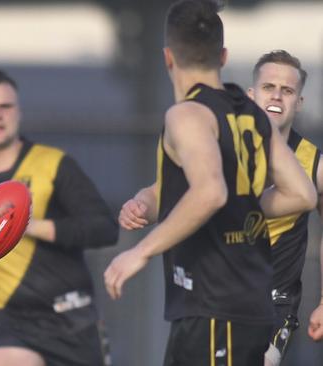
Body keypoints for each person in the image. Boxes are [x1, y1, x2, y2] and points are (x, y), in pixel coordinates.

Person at [105, 1, 317, 365]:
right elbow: (302, 193)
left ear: (168, 58)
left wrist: (139, 251)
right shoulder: (249, 113)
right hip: (240, 306)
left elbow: (210, 191)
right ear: (222, 55)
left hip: (217, 308)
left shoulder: (187, 114)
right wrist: (147, 202)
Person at [0, 69, 119, 366]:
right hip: (9, 320)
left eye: (5, 107)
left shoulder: (53, 164)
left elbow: (104, 228)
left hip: (72, 316)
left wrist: (28, 225)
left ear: (18, 111)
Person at [246, 50, 323, 365]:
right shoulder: (222, 150)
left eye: (287, 90)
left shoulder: (314, 163)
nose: (277, 95)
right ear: (252, 95)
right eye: (268, 87)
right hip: (218, 297)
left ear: (299, 102)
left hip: (275, 305)